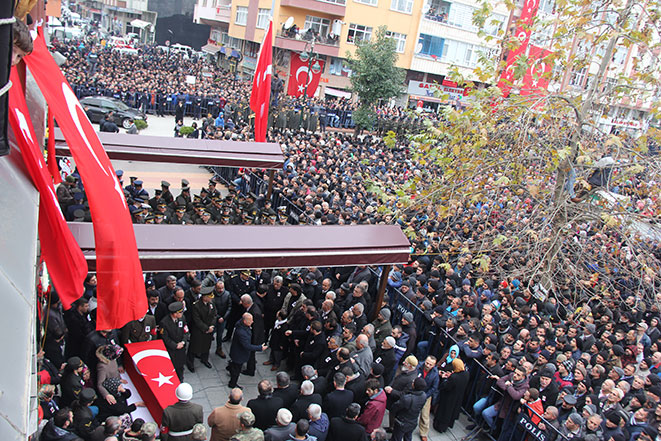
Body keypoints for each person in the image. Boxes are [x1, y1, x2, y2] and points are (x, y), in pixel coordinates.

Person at [229, 313, 268, 388]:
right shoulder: (241, 332)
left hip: (237, 352)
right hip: (239, 354)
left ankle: (231, 370)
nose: (252, 322)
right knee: (236, 371)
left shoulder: (241, 325)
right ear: (245, 321)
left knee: (235, 368)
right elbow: (247, 346)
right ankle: (232, 384)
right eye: (250, 320)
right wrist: (260, 348)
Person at [432, 358, 469, 433]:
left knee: (444, 413)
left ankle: (439, 427)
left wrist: (445, 379)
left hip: (448, 398)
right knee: (450, 413)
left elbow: (446, 386)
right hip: (457, 398)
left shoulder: (454, 377)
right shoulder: (466, 374)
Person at [187, 288, 217, 372]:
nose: (211, 298)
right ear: (204, 297)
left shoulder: (211, 303)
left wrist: (211, 326)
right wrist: (206, 328)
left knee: (206, 345)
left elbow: (215, 315)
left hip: (209, 329)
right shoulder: (196, 305)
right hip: (199, 331)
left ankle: (204, 359)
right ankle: (190, 362)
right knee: (194, 347)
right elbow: (197, 320)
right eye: (209, 296)